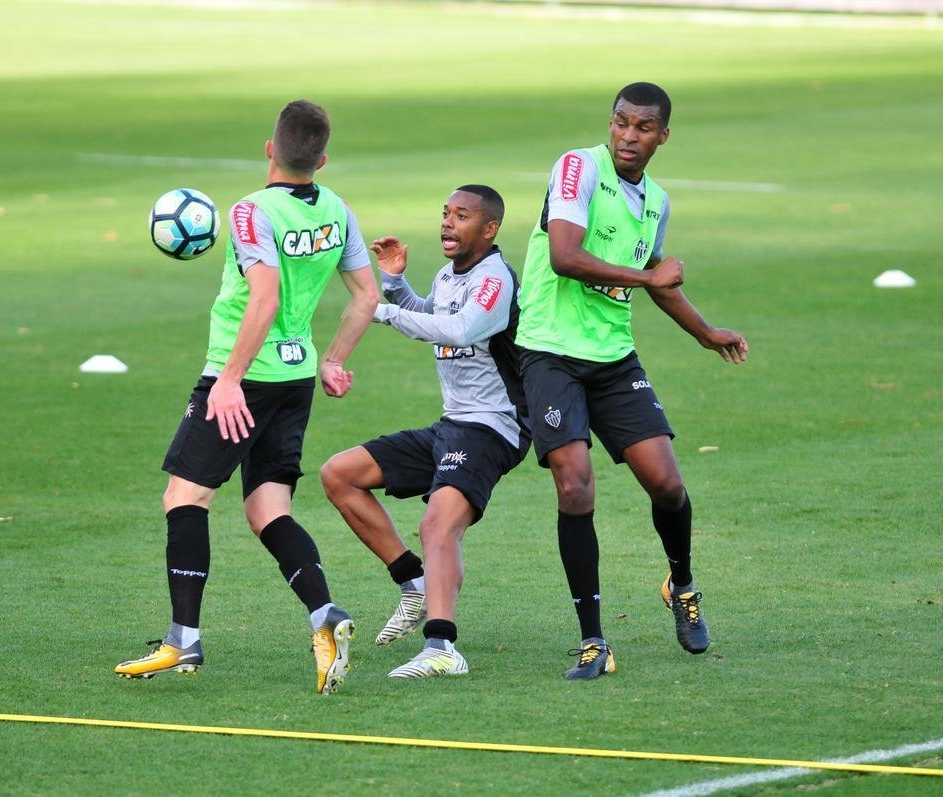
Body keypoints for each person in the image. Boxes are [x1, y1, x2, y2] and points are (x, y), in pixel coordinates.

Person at [115, 100, 379, 695]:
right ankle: (326, 617)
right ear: (323, 159)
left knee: (185, 495)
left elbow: (263, 298)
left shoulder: (249, 212)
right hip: (294, 378)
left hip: (245, 377)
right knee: (268, 510)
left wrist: (229, 378)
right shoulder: (338, 209)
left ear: (269, 148)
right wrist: (333, 359)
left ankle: (183, 639)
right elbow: (366, 294)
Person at [516, 82, 748, 680]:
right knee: (575, 486)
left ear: (662, 136)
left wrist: (704, 332)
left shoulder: (656, 201)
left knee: (666, 484)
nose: (628, 135)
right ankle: (593, 641)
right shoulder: (577, 168)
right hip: (550, 352)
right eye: (621, 122)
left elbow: (653, 272)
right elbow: (567, 256)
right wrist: (648, 282)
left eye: (643, 128)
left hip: (614, 358)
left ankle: (683, 582)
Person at [320, 185, 528, 678]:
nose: (447, 224)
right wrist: (393, 285)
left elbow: (460, 330)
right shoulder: (447, 274)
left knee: (439, 524)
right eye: (444, 214)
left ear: (490, 229)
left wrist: (381, 310)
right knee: (339, 475)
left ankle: (442, 648)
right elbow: (435, 315)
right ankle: (412, 582)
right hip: (453, 424)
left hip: (494, 426)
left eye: (461, 216)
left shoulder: (494, 278)